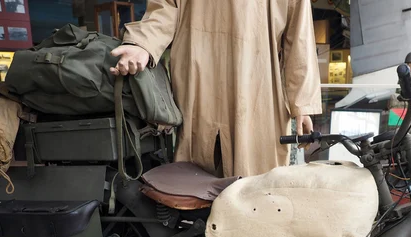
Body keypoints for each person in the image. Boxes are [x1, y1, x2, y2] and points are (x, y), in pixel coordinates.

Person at [109, 0, 322, 178]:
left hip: (256, 86)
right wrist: (142, 44)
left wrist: (302, 105)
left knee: (255, 186)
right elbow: (164, 10)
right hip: (201, 83)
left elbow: (298, 36)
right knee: (196, 185)